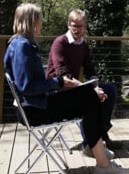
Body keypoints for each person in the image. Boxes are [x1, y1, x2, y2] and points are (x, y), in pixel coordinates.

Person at [4, 3, 129, 174]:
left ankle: (98, 154)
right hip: (33, 111)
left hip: (35, 106)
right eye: (40, 20)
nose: (41, 24)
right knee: (89, 98)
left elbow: (31, 81)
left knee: (91, 97)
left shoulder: (20, 44)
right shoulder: (22, 46)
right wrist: (58, 81)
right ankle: (103, 164)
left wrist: (91, 86)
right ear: (33, 21)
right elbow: (27, 86)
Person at [46, 9, 122, 154]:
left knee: (110, 90)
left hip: (73, 88)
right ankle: (90, 143)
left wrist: (96, 86)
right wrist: (89, 90)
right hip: (56, 90)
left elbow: (90, 70)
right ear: (68, 25)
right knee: (87, 97)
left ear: (85, 26)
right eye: (74, 25)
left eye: (80, 26)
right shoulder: (60, 43)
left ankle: (100, 135)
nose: (77, 29)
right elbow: (63, 74)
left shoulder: (83, 44)